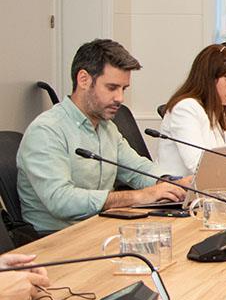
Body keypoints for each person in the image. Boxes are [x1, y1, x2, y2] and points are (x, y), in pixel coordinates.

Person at [16, 39, 186, 234]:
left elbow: (138, 170)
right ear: (83, 80)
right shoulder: (46, 131)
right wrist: (139, 197)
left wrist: (171, 182)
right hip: (55, 242)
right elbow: (61, 200)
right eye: (112, 88)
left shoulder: (106, 128)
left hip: (98, 230)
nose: (120, 98)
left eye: (124, 89)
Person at [157, 44, 226, 176]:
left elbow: (222, 153)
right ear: (209, 78)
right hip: (179, 192)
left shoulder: (214, 108)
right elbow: (199, 165)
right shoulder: (185, 108)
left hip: (208, 188)